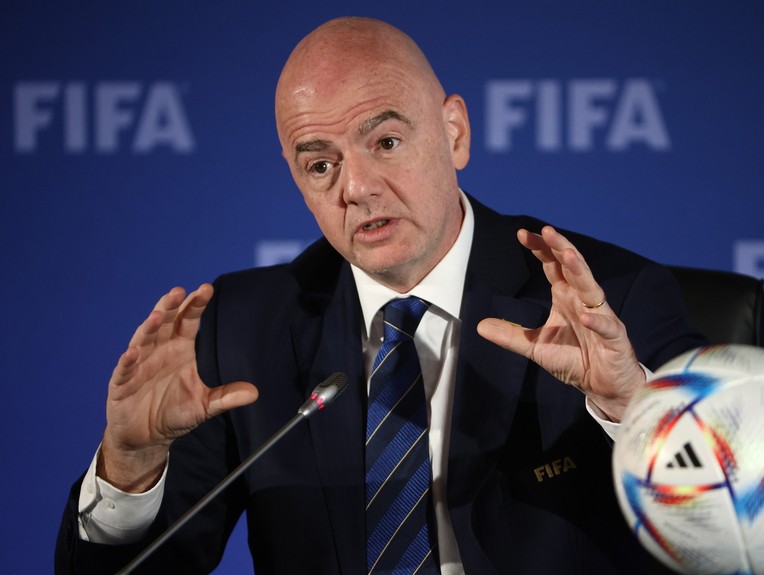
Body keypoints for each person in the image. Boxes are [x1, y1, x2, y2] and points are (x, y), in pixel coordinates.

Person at [56, 16, 704, 574]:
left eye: (385, 142)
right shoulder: (243, 327)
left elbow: (731, 536)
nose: (356, 187)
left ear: (453, 133)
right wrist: (131, 465)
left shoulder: (610, 300)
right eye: (320, 164)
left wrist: (631, 405)